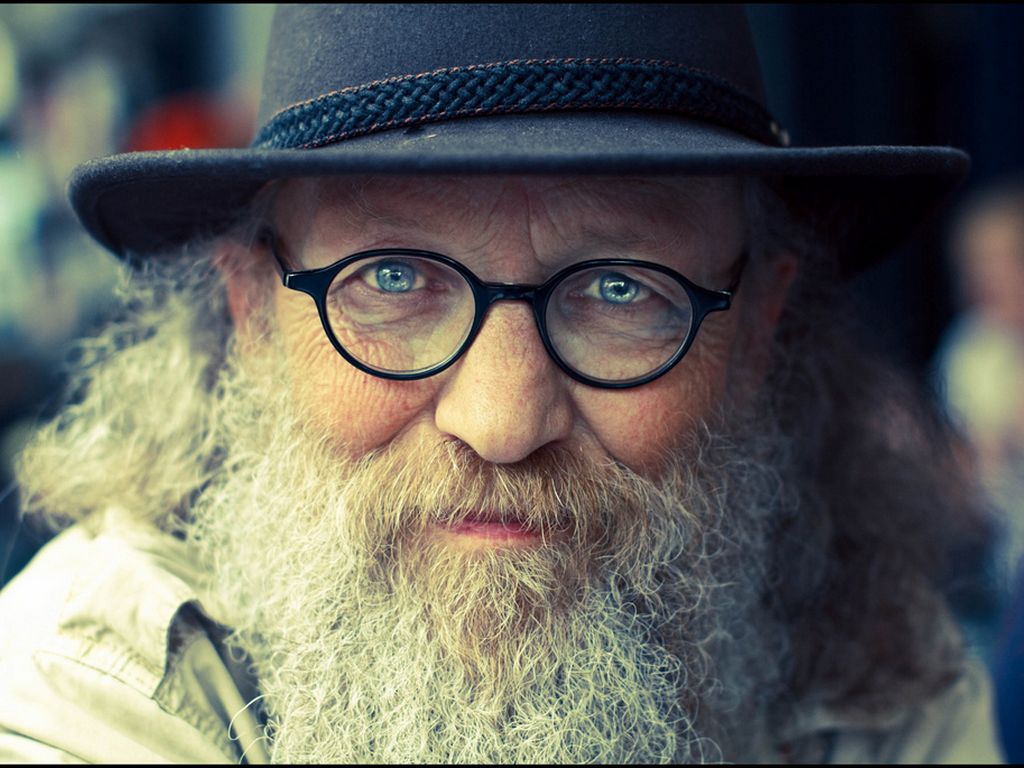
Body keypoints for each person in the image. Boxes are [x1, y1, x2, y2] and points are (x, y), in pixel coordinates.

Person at [0, 5, 1004, 764]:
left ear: (756, 331)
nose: (503, 421)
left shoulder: (886, 679)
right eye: (393, 280)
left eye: (619, 289)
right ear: (255, 318)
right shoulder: (87, 691)